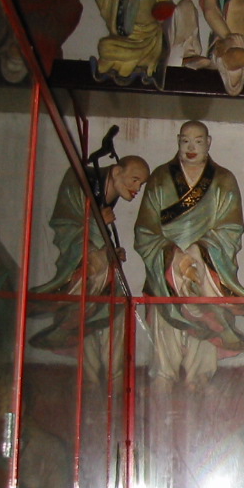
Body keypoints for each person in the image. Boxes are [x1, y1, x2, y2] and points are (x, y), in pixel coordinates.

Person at [134, 121, 244, 392]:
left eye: (198, 141)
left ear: (208, 142)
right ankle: (164, 374)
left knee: (206, 313)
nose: (191, 147)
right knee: (166, 316)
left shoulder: (223, 179)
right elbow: (145, 229)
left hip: (206, 266)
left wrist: (197, 254)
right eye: (185, 141)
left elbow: (231, 229)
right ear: (177, 140)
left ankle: (198, 377)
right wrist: (174, 256)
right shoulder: (161, 177)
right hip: (166, 266)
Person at [30, 156, 149, 385]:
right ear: (117, 172)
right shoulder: (80, 181)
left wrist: (110, 252)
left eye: (141, 184)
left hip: (100, 282)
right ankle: (91, 376)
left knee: (111, 310)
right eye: (134, 180)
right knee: (92, 288)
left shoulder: (109, 194)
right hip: (84, 270)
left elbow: (97, 240)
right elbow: (67, 226)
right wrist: (96, 225)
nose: (137, 188)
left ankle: (112, 379)